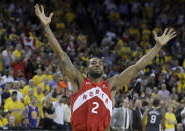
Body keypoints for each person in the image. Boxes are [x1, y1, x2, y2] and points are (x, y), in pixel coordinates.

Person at [34, 4, 176, 131]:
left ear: (104, 69)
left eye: (100, 63)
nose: (97, 64)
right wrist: (46, 27)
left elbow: (137, 67)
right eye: (93, 63)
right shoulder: (79, 81)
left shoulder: (111, 84)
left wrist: (157, 47)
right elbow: (61, 54)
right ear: (87, 69)